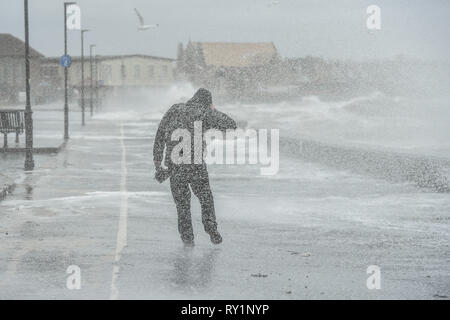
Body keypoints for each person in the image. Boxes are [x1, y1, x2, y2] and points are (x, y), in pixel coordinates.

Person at [153, 88, 237, 246]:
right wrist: (213, 110)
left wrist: (157, 162)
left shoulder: (175, 109)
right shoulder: (204, 112)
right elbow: (231, 125)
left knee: (182, 205)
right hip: (195, 166)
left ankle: (188, 240)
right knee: (206, 199)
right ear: (207, 103)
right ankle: (211, 229)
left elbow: (160, 134)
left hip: (175, 166)